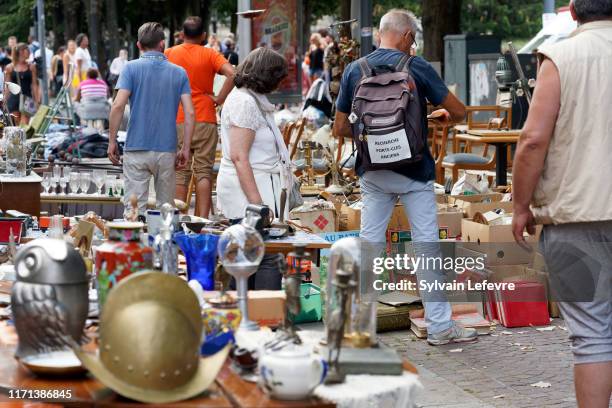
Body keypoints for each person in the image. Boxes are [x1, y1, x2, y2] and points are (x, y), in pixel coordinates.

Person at [333, 9, 470, 345]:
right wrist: (425, 118)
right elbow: (459, 111)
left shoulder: (355, 70)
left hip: (374, 174)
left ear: (381, 34)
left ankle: (358, 326)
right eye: (414, 39)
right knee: (426, 247)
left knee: (370, 246)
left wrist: (376, 135)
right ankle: (440, 328)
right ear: (408, 36)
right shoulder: (416, 66)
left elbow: (338, 127)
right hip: (414, 171)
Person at [512, 1, 612, 406]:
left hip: (576, 217)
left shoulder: (560, 56)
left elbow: (533, 140)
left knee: (591, 336)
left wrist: (521, 206)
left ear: (572, 11)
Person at [108, 22, 194, 216]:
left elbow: (118, 105)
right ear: (162, 44)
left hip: (136, 147)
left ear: (138, 45)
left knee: (134, 209)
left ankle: (134, 244)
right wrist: (185, 148)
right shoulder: (179, 73)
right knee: (166, 210)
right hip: (166, 148)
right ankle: (164, 244)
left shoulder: (130, 68)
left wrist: (112, 140)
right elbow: (189, 112)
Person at [165, 16, 235, 218]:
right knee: (204, 171)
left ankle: (177, 220)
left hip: (178, 117)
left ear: (181, 34)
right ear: (204, 36)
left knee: (180, 170)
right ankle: (201, 221)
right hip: (205, 115)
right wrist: (220, 98)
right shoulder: (210, 54)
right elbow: (232, 73)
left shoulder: (169, 53)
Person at [216, 47, 289, 221]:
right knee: (253, 246)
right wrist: (259, 206)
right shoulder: (244, 102)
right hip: (249, 194)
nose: (279, 85)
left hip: (258, 185)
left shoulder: (250, 98)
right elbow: (239, 158)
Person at [4, 43, 39, 125]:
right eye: (27, 50)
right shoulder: (10, 67)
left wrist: (37, 100)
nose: (29, 52)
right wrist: (4, 100)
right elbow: (8, 86)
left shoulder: (31, 66)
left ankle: (24, 138)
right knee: (16, 123)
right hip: (14, 98)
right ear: (21, 52)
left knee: (25, 124)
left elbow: (34, 85)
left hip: (27, 97)